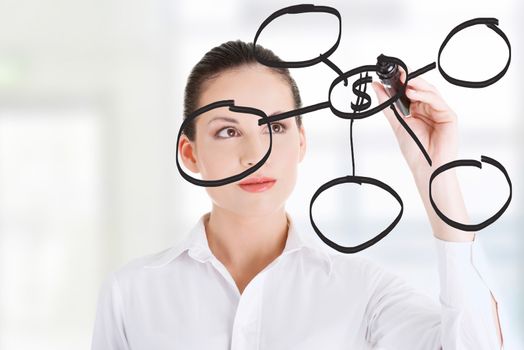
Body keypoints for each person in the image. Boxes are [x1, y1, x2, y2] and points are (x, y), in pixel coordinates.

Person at [91, 40, 504, 349]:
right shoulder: (131, 294)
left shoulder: (360, 290)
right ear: (190, 152)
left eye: (276, 127)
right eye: (228, 131)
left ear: (302, 142)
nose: (255, 155)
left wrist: (435, 174)